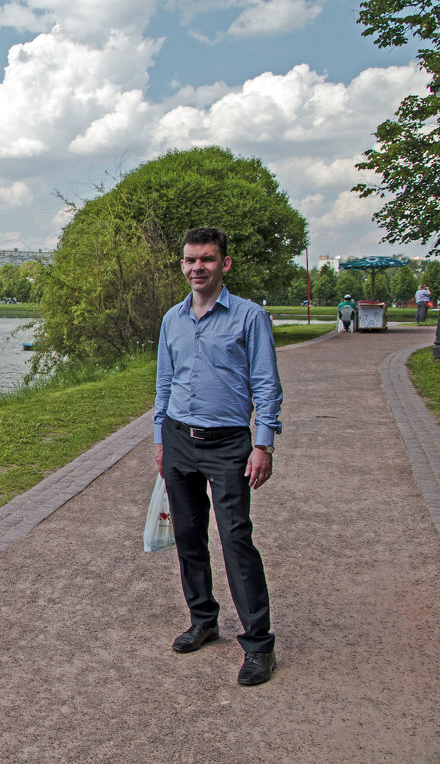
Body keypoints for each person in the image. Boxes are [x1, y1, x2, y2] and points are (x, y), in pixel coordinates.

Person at [154, 227, 282, 687]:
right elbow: (164, 383)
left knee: (235, 540)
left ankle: (258, 644)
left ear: (224, 264)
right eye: (190, 260)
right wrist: (159, 437)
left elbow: (266, 384)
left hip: (229, 443)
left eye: (206, 259)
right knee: (188, 536)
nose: (197, 268)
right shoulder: (172, 319)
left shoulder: (249, 317)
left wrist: (263, 443)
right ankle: (203, 619)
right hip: (178, 438)